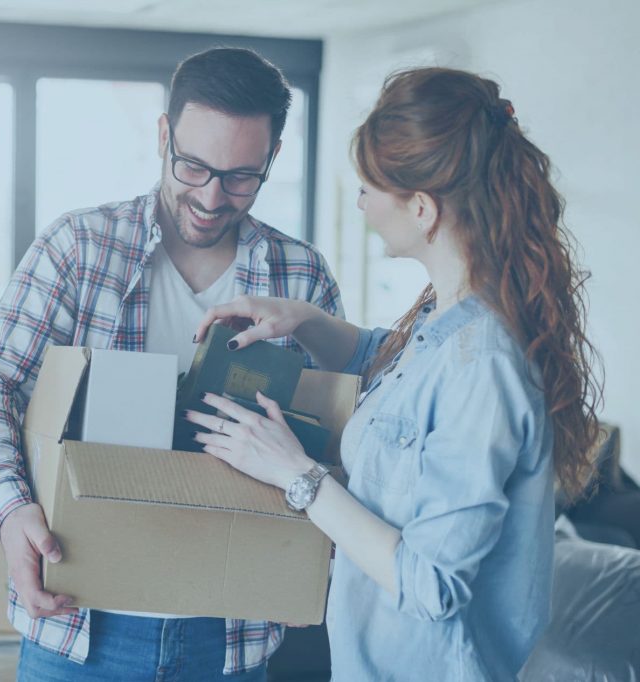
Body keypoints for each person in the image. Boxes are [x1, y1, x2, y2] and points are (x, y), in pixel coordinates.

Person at [187, 66, 603, 680]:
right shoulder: (447, 321)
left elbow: (433, 585)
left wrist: (293, 474)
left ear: (421, 207)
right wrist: (301, 318)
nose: (360, 203)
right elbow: (392, 371)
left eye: (367, 187)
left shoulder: (484, 363)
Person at [0, 47, 344, 681]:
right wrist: (10, 510)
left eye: (242, 176)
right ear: (164, 135)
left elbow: (334, 433)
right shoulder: (78, 248)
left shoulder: (299, 275)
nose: (213, 197)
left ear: (272, 160)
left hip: (229, 634)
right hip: (82, 624)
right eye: (193, 166)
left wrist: (314, 554)